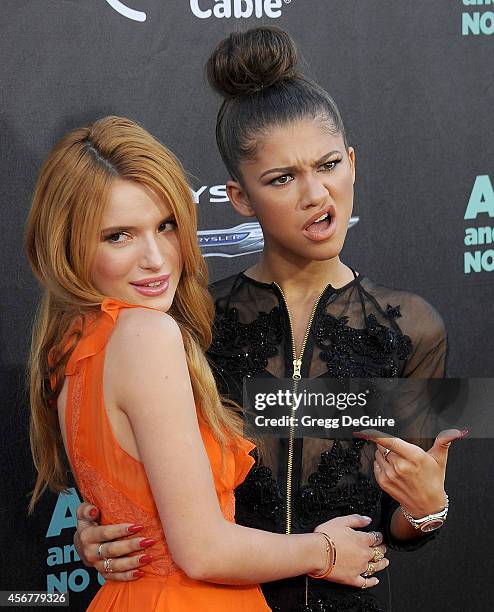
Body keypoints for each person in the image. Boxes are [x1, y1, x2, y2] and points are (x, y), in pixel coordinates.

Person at [72, 30, 464, 612]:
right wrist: (104, 533)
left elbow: (403, 527)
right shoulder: (190, 320)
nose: (316, 194)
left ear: (351, 163)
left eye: (329, 165)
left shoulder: (414, 326)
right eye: (282, 178)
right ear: (240, 196)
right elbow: (141, 482)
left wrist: (429, 508)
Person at [26, 115, 396, 611]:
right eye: (119, 235)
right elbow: (201, 549)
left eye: (166, 226)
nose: (156, 258)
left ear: (351, 166)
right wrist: (325, 551)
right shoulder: (157, 333)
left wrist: (429, 508)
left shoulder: (69, 343)